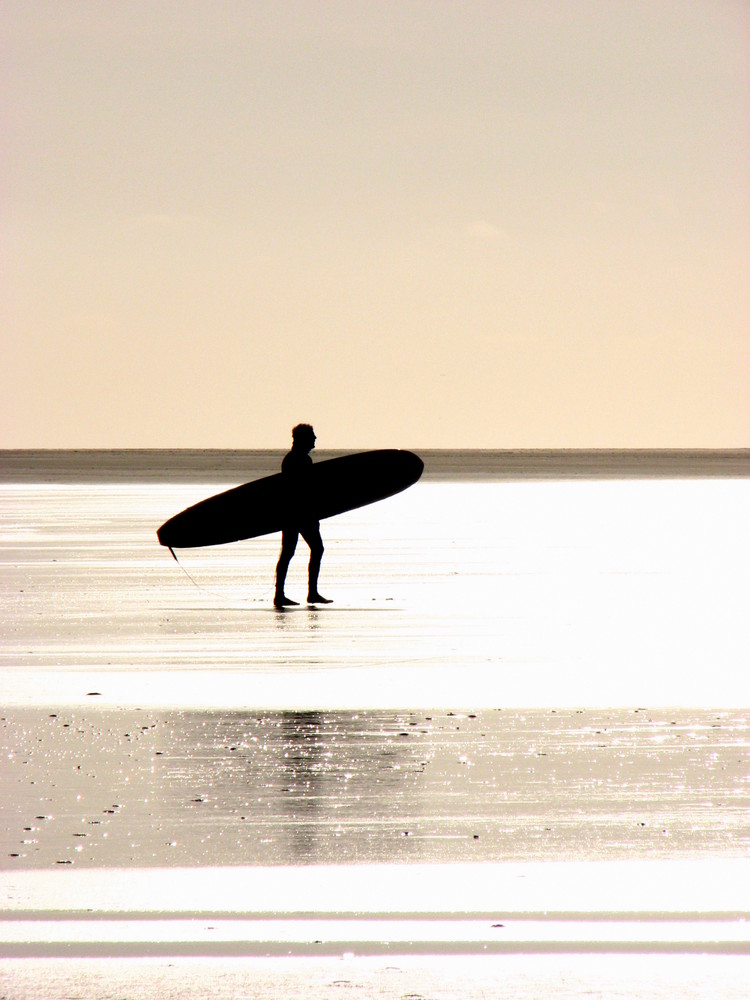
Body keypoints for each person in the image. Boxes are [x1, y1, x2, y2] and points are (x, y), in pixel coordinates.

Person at [274, 424, 332, 608]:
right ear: (302, 439)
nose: (315, 439)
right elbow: (304, 489)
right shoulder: (298, 460)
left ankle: (281, 594)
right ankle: (310, 593)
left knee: (289, 553)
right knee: (314, 549)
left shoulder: (293, 459)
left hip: (292, 513)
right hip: (299, 514)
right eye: (312, 436)